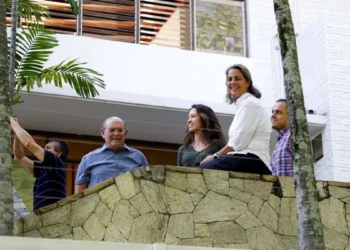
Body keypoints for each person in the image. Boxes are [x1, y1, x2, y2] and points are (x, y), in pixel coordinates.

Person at [200, 64, 272, 175]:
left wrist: (215, 156)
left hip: (253, 160)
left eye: (237, 78)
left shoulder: (250, 104)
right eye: (229, 79)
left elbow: (238, 142)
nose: (232, 82)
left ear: (248, 82)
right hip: (244, 159)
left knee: (204, 170)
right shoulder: (244, 105)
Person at [75, 116, 148, 193]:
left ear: (125, 133)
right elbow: (79, 195)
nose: (116, 134)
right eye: (112, 130)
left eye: (120, 130)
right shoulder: (88, 159)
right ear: (103, 133)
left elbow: (147, 186)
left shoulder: (138, 157)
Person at [11, 117, 68, 211]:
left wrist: (12, 122)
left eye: (48, 148)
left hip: (53, 215)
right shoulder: (43, 169)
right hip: (41, 216)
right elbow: (19, 157)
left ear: (58, 153)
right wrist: (16, 134)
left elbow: (28, 143)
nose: (44, 150)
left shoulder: (56, 163)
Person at [270, 99, 293, 176]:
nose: (273, 115)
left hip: (291, 187)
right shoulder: (280, 141)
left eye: (278, 112)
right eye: (272, 111)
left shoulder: (293, 136)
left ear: (290, 116)